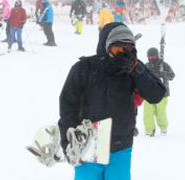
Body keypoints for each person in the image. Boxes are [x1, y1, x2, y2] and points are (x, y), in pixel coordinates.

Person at [58, 23, 166, 180]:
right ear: (106, 47)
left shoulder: (132, 69)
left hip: (120, 146)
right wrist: (67, 141)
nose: (123, 55)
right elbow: (67, 106)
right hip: (87, 144)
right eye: (117, 50)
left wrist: (137, 70)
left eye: (128, 50)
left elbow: (156, 94)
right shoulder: (84, 68)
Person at [143, 47, 175, 137]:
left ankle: (163, 128)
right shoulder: (146, 66)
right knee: (147, 112)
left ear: (157, 56)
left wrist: (163, 73)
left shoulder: (164, 65)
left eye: (153, 56)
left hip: (162, 93)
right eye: (149, 57)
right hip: (149, 93)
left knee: (160, 112)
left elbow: (172, 76)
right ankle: (149, 129)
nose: (151, 59)